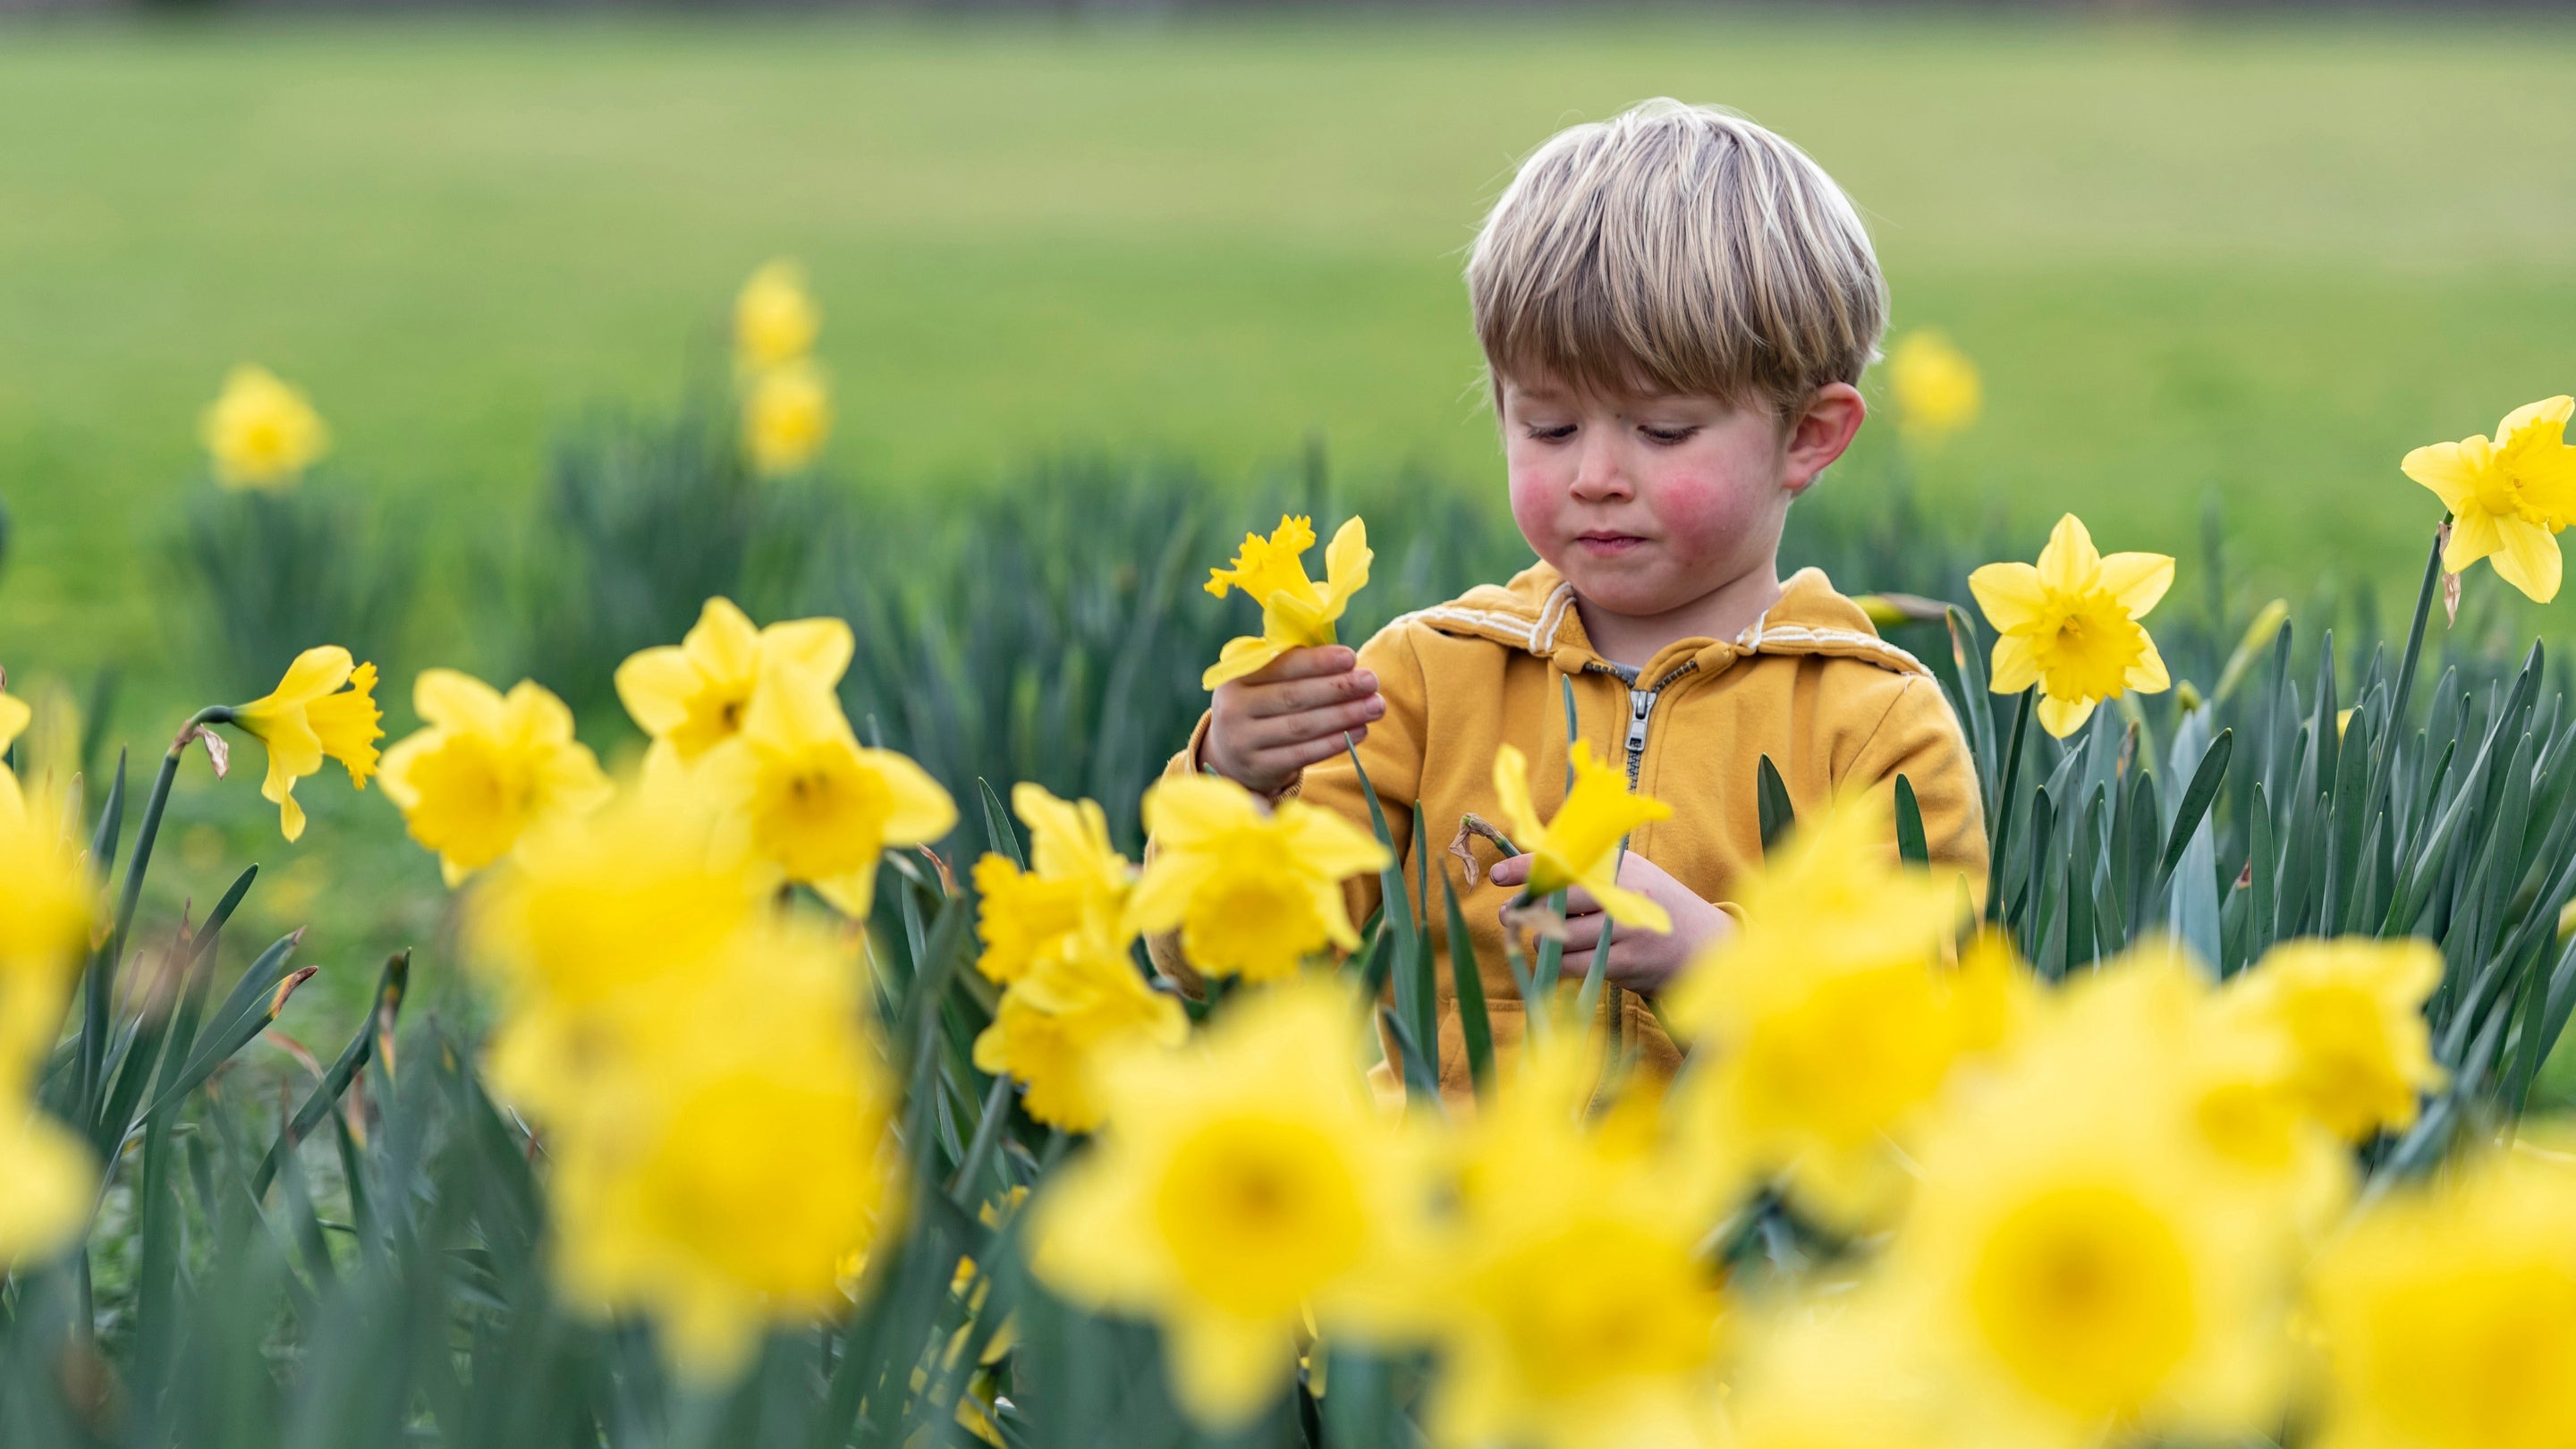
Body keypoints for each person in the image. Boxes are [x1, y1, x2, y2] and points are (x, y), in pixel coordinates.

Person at [1150, 98, 1987, 1098]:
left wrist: (1717, 965)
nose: (1595, 474)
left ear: (1809, 435)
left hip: (1743, 1240)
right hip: (1448, 1221)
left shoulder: (1873, 722)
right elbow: (1220, 966)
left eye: (1661, 432)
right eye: (1549, 429)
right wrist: (1234, 783)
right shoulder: (1423, 682)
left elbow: (1924, 1049)